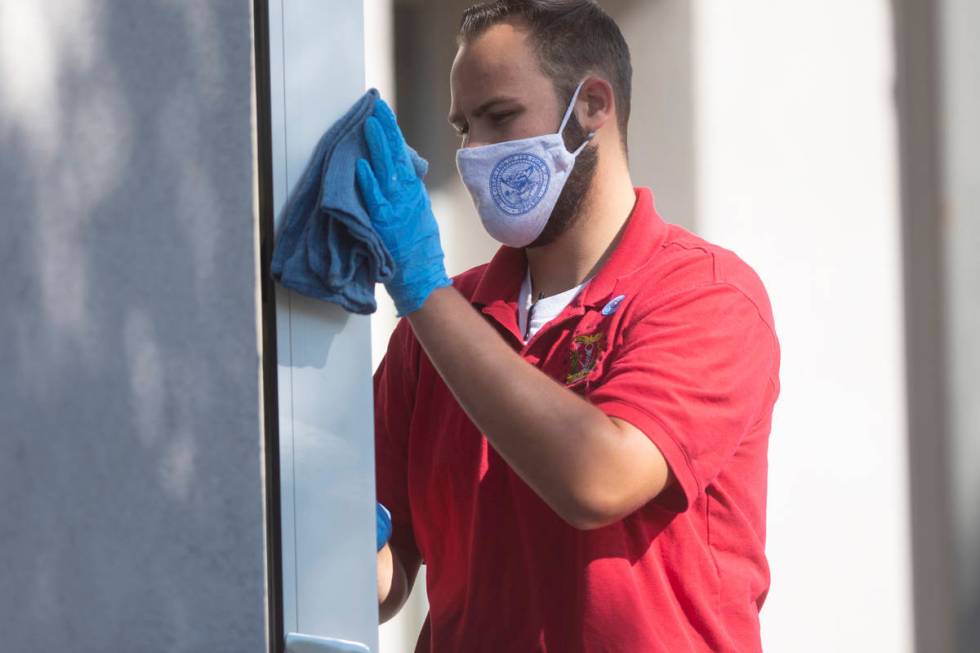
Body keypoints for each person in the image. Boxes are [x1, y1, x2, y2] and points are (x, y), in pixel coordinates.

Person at [360, 1, 781, 651]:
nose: (474, 152)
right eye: (462, 127)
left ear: (592, 107)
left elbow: (599, 477)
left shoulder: (706, 295)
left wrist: (420, 288)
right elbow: (388, 572)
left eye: (499, 117)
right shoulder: (435, 332)